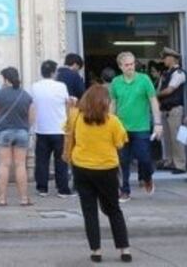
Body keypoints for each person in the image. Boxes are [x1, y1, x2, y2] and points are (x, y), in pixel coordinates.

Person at [64, 84, 132, 263]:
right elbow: (120, 142)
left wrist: (70, 110)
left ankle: (96, 250)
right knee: (114, 209)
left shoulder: (77, 117)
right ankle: (124, 249)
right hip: (107, 168)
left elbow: (67, 131)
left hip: (82, 167)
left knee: (89, 211)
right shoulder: (112, 121)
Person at [109, 51, 163, 202]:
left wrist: (157, 123)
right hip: (121, 127)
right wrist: (109, 123)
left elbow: (153, 101)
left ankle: (147, 177)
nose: (130, 67)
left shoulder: (144, 79)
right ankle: (124, 190)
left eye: (132, 64)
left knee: (144, 158)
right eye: (127, 65)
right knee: (123, 161)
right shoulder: (115, 82)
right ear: (120, 66)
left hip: (141, 127)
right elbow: (113, 103)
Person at [0, 67, 35, 207]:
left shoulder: (0, 93)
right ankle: (24, 198)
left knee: (4, 165)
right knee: (20, 165)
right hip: (22, 132)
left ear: (6, 79)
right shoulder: (26, 95)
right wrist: (25, 127)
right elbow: (31, 117)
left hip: (4, 132)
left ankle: (2, 198)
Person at [31, 59, 72, 198]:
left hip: (41, 128)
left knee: (42, 160)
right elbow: (67, 105)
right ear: (54, 72)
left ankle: (42, 188)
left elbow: (32, 105)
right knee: (61, 160)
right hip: (59, 128)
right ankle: (63, 189)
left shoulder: (35, 86)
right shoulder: (61, 86)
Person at [156, 48, 187, 173]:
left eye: (165, 58)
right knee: (167, 139)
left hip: (174, 110)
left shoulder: (179, 73)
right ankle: (169, 161)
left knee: (176, 138)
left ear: (172, 58)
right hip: (165, 109)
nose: (163, 60)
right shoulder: (166, 73)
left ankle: (180, 164)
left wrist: (155, 95)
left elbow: (170, 90)